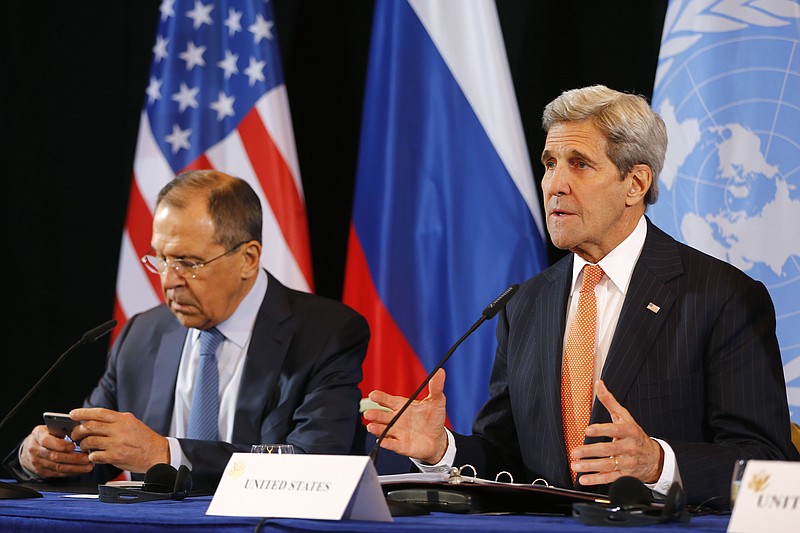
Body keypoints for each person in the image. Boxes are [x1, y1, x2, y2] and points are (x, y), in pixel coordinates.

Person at [363, 85, 799, 508]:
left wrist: (658, 463)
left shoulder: (721, 296)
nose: (555, 184)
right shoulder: (524, 305)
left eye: (580, 164)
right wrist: (443, 450)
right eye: (549, 163)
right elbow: (508, 457)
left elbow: (768, 462)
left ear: (636, 183)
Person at [7, 170, 369, 490]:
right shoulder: (141, 335)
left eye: (188, 263)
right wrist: (43, 456)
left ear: (248, 259)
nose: (169, 280)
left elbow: (315, 465)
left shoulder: (326, 335)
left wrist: (166, 453)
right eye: (161, 259)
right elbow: (91, 459)